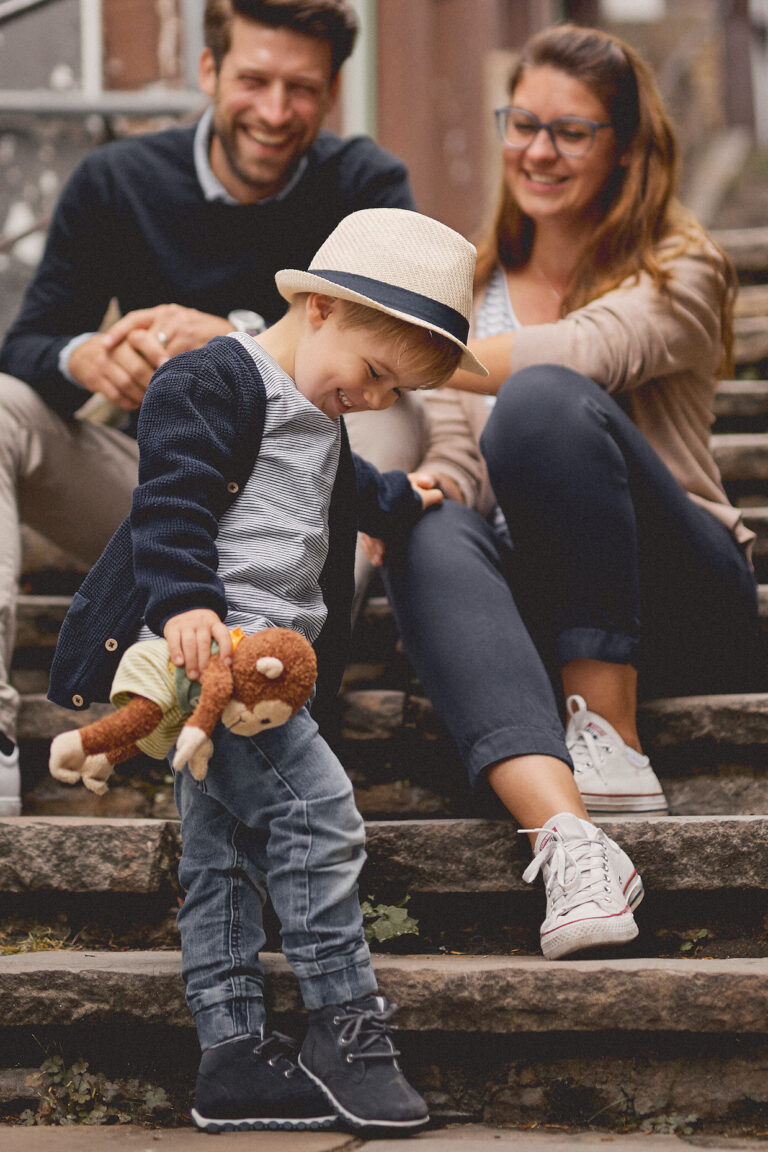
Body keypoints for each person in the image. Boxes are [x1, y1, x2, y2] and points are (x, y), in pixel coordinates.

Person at [47, 206, 487, 1132]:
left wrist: (404, 494)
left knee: (222, 858)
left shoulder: (324, 414)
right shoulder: (210, 381)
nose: (373, 402)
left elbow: (345, 486)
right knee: (322, 818)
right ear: (320, 308)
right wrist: (188, 605)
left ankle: (233, 1055)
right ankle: (342, 1022)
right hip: (217, 664)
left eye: (392, 394)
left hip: (263, 684)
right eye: (373, 376)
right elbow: (171, 501)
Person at [346, 23, 759, 962]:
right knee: (430, 521)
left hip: (684, 607)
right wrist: (419, 488)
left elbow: (587, 354)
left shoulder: (679, 268)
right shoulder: (476, 283)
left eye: (571, 132)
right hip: (534, 606)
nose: (538, 149)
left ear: (624, 145)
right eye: (523, 122)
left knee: (540, 398)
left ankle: (610, 727)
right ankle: (569, 841)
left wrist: (405, 351)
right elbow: (455, 452)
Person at [0, 0, 417, 816]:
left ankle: (292, 700)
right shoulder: (117, 179)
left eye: (300, 88)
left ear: (331, 92)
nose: (273, 110)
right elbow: (27, 343)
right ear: (207, 73)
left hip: (307, 505)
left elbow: (398, 363)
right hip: (168, 506)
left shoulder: (367, 185)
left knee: (377, 415)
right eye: (253, 80)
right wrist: (82, 354)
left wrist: (237, 340)